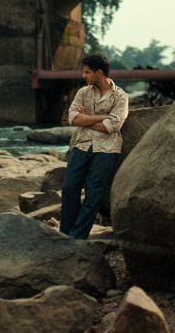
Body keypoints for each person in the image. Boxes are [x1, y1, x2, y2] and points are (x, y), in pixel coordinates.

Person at [60, 53, 129, 240]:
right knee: (69, 189)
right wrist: (101, 117)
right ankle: (65, 234)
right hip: (82, 145)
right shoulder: (83, 93)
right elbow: (73, 118)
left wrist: (86, 119)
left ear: (100, 72)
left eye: (87, 72)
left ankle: (77, 237)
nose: (84, 76)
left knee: (93, 195)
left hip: (106, 150)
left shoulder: (120, 96)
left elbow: (114, 125)